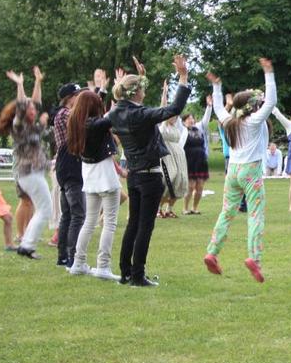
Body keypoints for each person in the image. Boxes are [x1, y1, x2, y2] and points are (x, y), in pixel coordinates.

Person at [108, 54, 192, 287]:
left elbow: (136, 107)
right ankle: (138, 275)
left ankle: (125, 272)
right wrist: (183, 77)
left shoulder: (117, 112)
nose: (145, 91)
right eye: (142, 87)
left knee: (134, 223)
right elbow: (174, 108)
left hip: (133, 174)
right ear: (136, 92)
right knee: (145, 226)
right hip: (150, 175)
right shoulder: (140, 115)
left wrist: (140, 77)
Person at [203, 58, 277, 282]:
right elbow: (271, 101)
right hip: (250, 172)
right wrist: (268, 73)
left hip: (232, 171)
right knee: (255, 215)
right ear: (254, 106)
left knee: (226, 212)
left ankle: (212, 253)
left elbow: (217, 107)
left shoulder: (230, 122)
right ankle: (254, 257)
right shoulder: (254, 121)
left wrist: (217, 86)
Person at [65, 86, 124, 281]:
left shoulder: (76, 122)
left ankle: (78, 262)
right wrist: (121, 92)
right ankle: (103, 265)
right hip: (105, 174)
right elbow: (113, 114)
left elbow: (97, 107)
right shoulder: (96, 125)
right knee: (109, 222)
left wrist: (105, 90)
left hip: (89, 174)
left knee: (89, 222)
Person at [0, 66, 52, 260]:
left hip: (33, 173)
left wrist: (37, 81)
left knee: (43, 209)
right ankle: (26, 245)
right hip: (29, 173)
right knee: (46, 209)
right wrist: (20, 85)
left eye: (34, 109)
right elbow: (22, 105)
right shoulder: (18, 125)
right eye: (31, 109)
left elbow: (35, 101)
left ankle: (26, 243)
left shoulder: (33, 124)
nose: (34, 110)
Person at [52, 81, 86, 267]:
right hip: (72, 166)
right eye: (77, 96)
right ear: (70, 98)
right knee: (78, 213)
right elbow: (83, 126)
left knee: (67, 214)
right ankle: (72, 256)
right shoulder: (66, 114)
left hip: (65, 167)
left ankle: (63, 256)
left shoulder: (62, 114)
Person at [157, 83, 190, 218]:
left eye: (176, 116)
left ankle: (169, 208)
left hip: (179, 156)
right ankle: (157, 208)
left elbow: (179, 105)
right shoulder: (163, 124)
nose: (174, 117)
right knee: (168, 178)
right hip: (167, 157)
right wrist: (164, 93)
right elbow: (163, 107)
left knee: (180, 180)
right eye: (172, 115)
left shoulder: (178, 127)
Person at [182, 97, 212, 215]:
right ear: (184, 121)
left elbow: (206, 119)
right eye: (188, 119)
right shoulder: (182, 130)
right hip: (189, 161)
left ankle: (195, 208)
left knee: (200, 187)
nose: (191, 120)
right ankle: (185, 208)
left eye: (192, 118)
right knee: (190, 186)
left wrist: (209, 106)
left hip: (201, 161)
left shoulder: (199, 128)